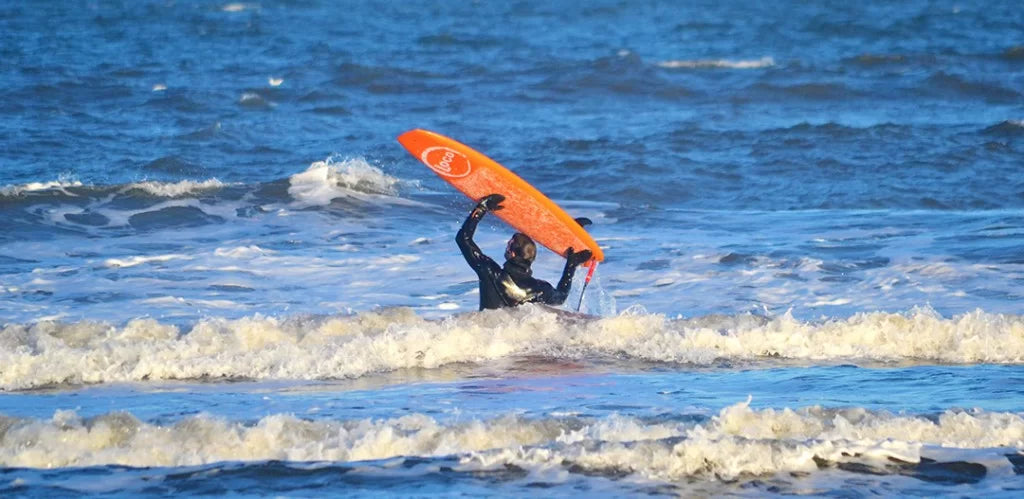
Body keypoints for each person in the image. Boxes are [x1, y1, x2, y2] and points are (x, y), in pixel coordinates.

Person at [456, 193, 592, 310]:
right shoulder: (540, 288)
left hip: (485, 335)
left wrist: (481, 208)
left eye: (509, 244)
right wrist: (571, 265)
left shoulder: (490, 272)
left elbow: (463, 239)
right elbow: (561, 298)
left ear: (512, 253)